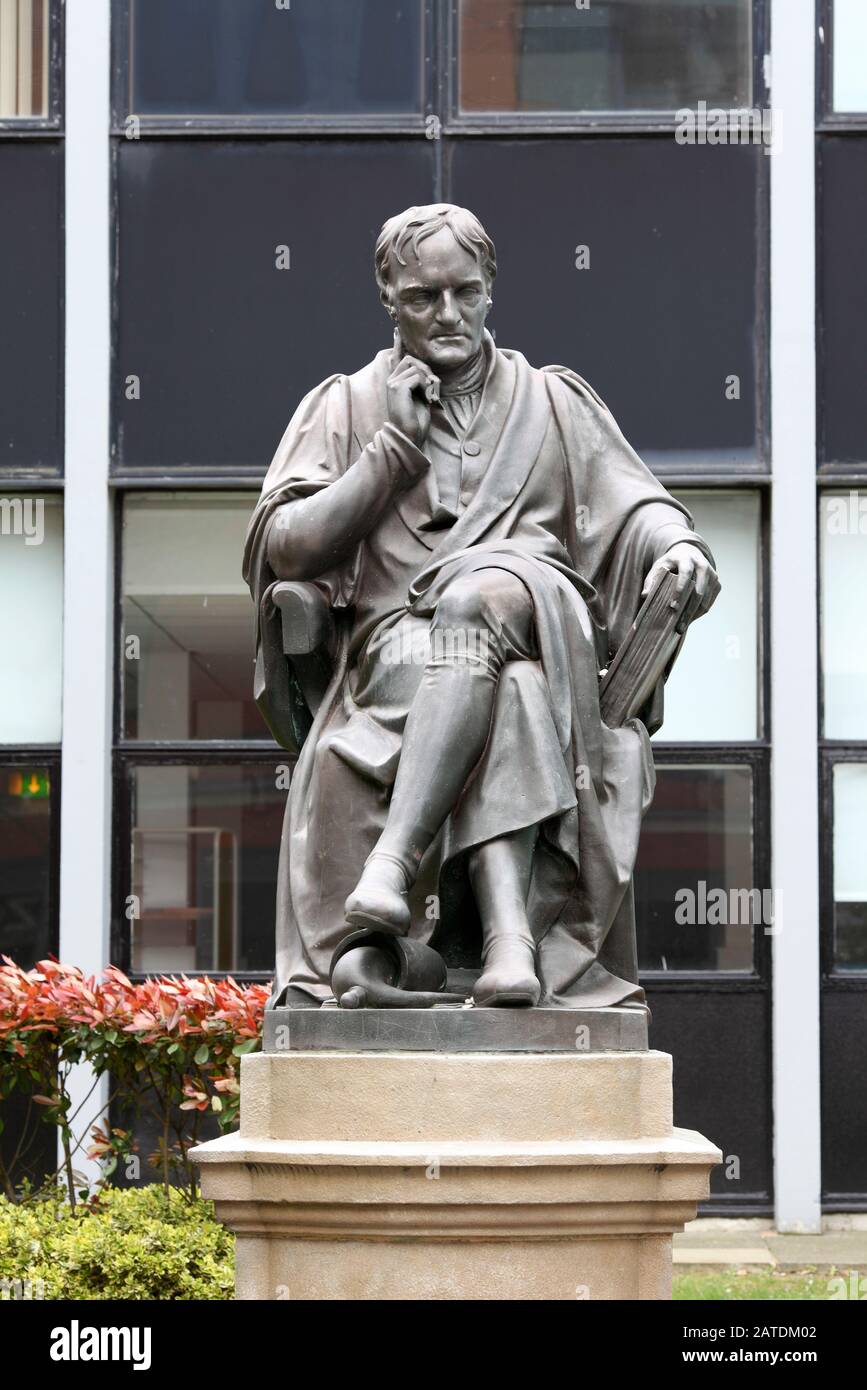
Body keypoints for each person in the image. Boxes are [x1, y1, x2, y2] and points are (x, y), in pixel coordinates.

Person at [243, 203, 720, 1009]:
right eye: (424, 297)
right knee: (514, 689)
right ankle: (508, 948)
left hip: (539, 615)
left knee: (486, 594)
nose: (449, 314)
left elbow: (635, 505)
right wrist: (388, 455)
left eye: (465, 291)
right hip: (397, 656)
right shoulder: (346, 406)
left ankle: (392, 863)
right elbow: (285, 544)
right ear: (388, 297)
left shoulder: (552, 401)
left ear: (491, 288)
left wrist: (678, 545)